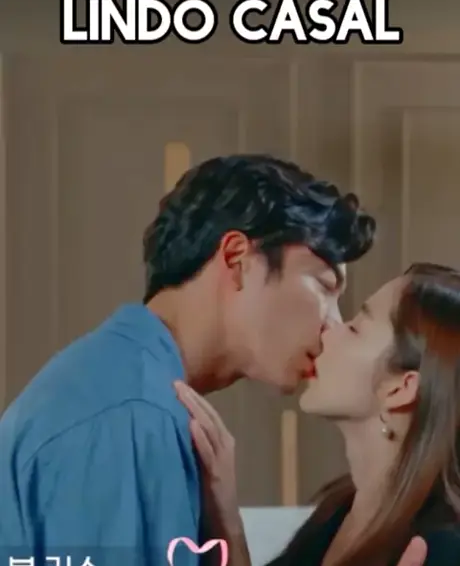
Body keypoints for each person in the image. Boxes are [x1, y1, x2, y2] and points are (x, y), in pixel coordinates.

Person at [0, 154, 422, 566]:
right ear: (237, 259)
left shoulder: (128, 390)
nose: (333, 325)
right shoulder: (132, 415)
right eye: (324, 286)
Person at [176, 262, 460, 565]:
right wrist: (225, 511)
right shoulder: (335, 513)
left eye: (355, 329)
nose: (327, 330)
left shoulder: (442, 548)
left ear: (399, 389)